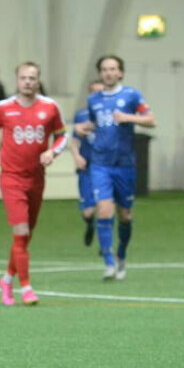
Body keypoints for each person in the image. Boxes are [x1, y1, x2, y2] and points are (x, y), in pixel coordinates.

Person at [0, 62, 67, 305]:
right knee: (21, 231)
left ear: (38, 80)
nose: (28, 82)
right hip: (12, 178)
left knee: (25, 236)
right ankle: (26, 288)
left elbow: (62, 136)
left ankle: (6, 279)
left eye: (32, 78)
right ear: (17, 80)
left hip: (36, 178)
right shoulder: (3, 108)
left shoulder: (50, 107)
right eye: (23, 77)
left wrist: (52, 153)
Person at [75, 55, 155, 280]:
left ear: (120, 72)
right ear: (100, 73)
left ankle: (121, 254)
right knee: (104, 210)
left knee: (125, 215)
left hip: (124, 164)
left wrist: (128, 117)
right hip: (100, 164)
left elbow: (151, 119)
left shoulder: (132, 95)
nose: (108, 73)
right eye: (104, 69)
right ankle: (108, 261)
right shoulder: (93, 99)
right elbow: (96, 123)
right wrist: (84, 128)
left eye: (113, 69)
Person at [68, 81, 105, 247]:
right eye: (94, 92)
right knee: (88, 211)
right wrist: (77, 157)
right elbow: (74, 141)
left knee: (105, 205)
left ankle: (106, 242)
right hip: (87, 167)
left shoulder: (112, 115)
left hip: (105, 166)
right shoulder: (81, 115)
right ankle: (90, 223)